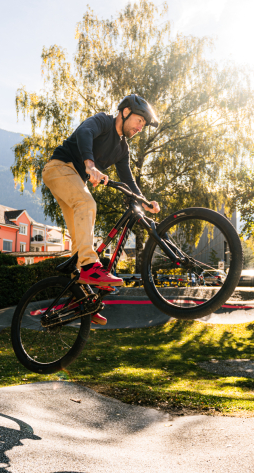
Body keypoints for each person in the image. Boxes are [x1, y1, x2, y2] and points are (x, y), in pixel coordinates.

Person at [41, 94, 162, 326]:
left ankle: (82, 299)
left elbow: (128, 179)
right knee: (87, 204)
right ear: (125, 112)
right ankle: (89, 267)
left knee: (80, 244)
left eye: (143, 125)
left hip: (74, 179)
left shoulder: (122, 149)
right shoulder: (103, 122)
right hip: (59, 168)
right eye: (139, 121)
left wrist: (144, 202)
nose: (140, 128)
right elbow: (84, 132)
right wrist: (90, 164)